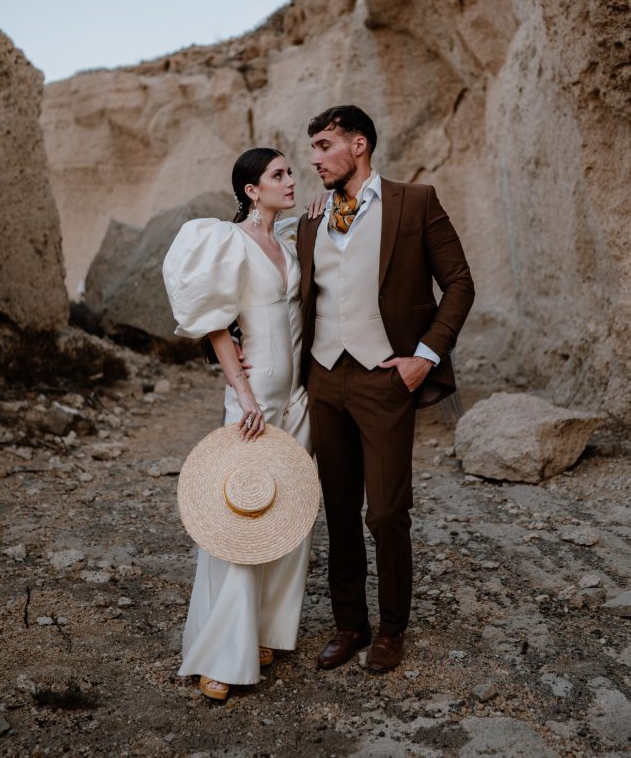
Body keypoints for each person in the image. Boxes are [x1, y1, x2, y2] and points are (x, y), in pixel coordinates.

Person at [296, 105, 475, 673]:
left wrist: (425, 356)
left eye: (325, 145)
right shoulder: (311, 217)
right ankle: (351, 623)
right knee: (341, 509)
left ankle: (392, 629)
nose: (315, 158)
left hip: (385, 375)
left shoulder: (415, 201)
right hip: (325, 375)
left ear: (360, 145)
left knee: (387, 511)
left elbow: (459, 283)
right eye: (313, 148)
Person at [162, 148, 311, 700]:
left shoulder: (290, 240)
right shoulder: (227, 242)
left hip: (298, 399)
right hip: (255, 402)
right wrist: (242, 391)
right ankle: (220, 653)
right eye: (278, 175)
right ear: (251, 190)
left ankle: (266, 630)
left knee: (289, 515)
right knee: (236, 522)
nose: (290, 181)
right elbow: (218, 326)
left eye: (290, 172)